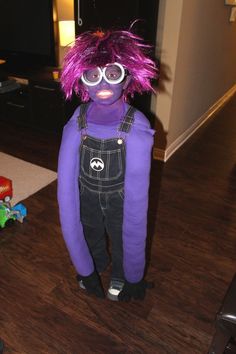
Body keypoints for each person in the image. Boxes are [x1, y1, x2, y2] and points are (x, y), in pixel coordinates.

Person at [57, 28, 157, 301]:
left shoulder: (136, 125)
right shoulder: (78, 118)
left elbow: (137, 205)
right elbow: (65, 188)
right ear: (81, 80)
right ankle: (97, 262)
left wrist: (135, 277)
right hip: (86, 195)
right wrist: (84, 268)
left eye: (112, 74)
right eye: (92, 75)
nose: (102, 84)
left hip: (121, 200)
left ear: (127, 78)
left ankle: (122, 274)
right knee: (90, 233)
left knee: (123, 236)